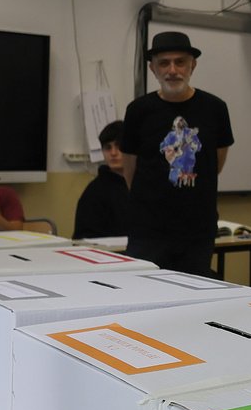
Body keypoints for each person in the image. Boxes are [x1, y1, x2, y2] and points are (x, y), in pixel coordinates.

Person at [121, 31, 233, 275]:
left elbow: (215, 164)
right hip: (148, 232)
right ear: (153, 69)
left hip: (197, 232)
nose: (173, 70)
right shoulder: (138, 111)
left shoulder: (215, 109)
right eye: (164, 63)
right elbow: (130, 170)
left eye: (180, 62)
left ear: (192, 66)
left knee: (194, 302)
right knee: (144, 299)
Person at [72, 120, 131, 240]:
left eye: (119, 146)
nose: (113, 153)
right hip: (108, 254)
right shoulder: (95, 191)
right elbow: (83, 236)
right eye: (108, 148)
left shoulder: (143, 185)